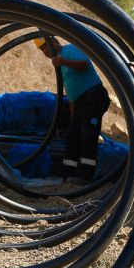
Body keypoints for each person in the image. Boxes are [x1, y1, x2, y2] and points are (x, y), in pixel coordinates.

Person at [34, 35, 110, 184]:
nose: (45, 51)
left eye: (46, 46)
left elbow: (84, 65)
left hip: (93, 96)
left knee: (88, 133)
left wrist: (63, 61)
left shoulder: (69, 50)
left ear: (55, 42)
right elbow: (69, 88)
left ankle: (85, 175)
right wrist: (73, 112)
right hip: (79, 102)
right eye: (42, 49)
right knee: (73, 134)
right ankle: (67, 172)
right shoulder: (59, 63)